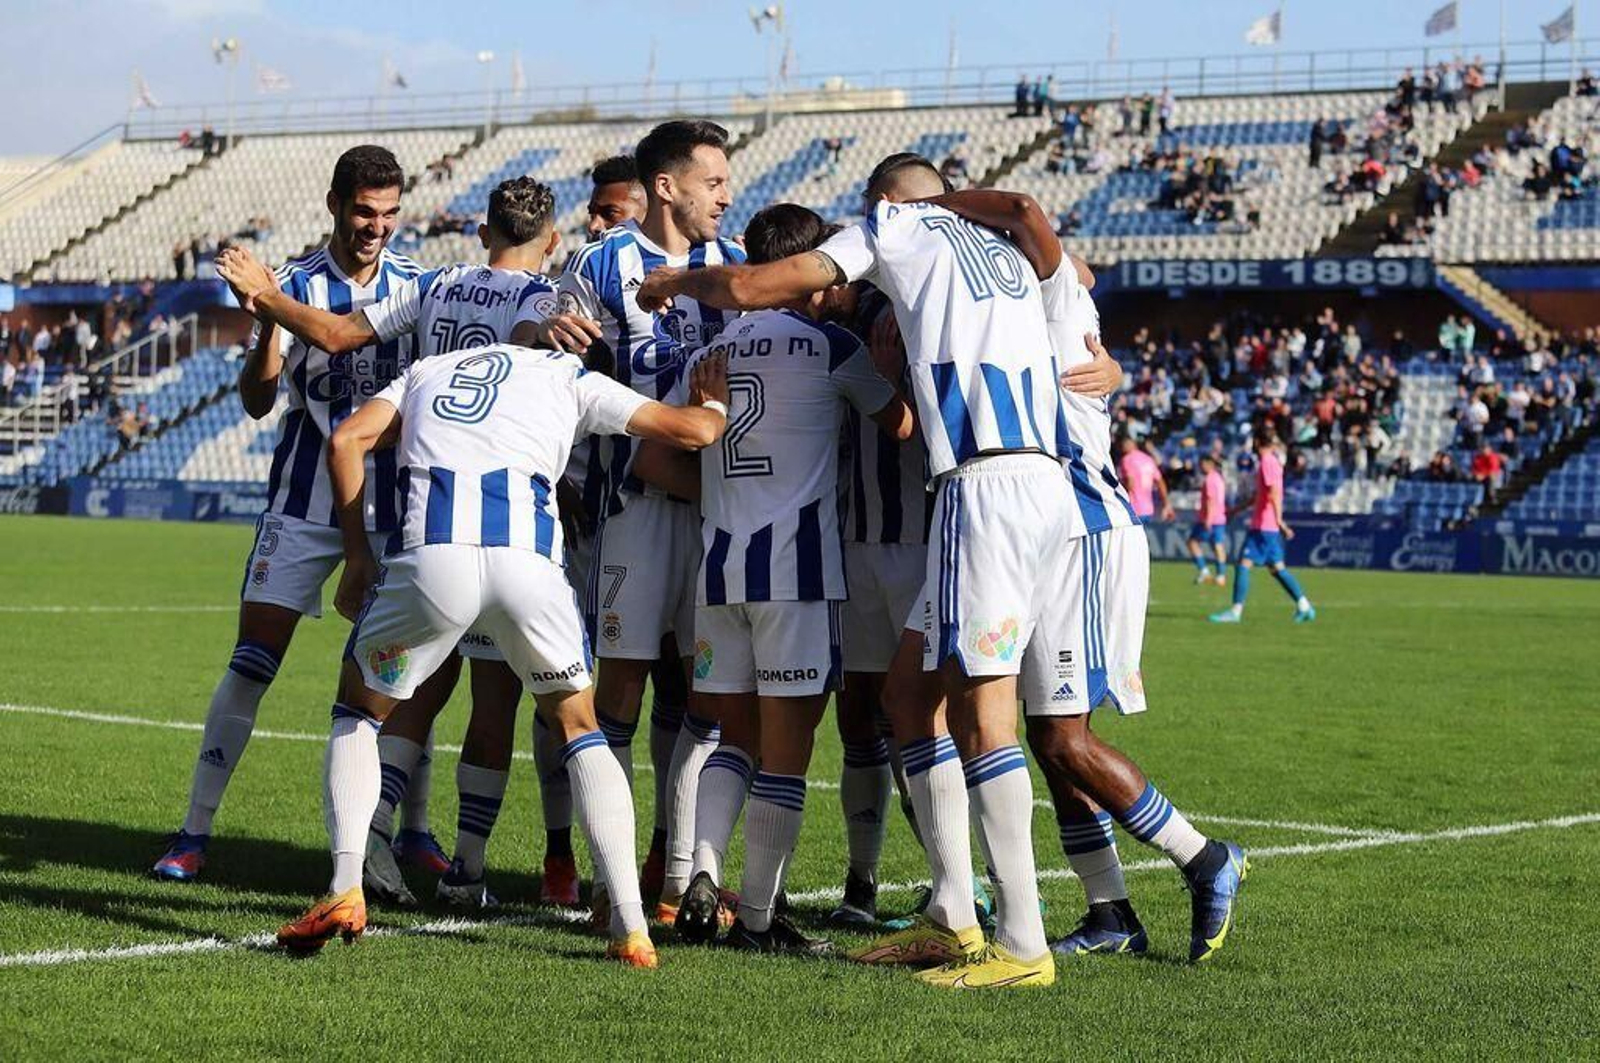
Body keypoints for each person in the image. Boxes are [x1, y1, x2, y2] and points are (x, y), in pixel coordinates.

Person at [637, 153, 1092, 989]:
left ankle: (1022, 943)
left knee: (979, 714)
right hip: (1043, 484)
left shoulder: (900, 227)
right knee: (908, 699)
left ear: (885, 205)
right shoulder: (1014, 258)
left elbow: (747, 289)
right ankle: (953, 912)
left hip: (979, 488)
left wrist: (677, 284)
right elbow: (1046, 244)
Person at [273, 339, 730, 965]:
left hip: (432, 559)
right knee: (580, 729)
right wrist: (714, 405)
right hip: (527, 566)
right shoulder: (566, 374)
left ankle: (346, 886)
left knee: (358, 711)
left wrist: (357, 557)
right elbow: (691, 431)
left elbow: (345, 441)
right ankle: (630, 924)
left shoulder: (427, 370)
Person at [215, 176, 565, 909]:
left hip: (423, 517)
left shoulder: (435, 283)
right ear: (553, 242)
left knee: (399, 692)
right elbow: (530, 348)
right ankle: (470, 869)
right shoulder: (540, 300)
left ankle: (370, 843)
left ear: (480, 232)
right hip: (508, 517)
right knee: (508, 699)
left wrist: (264, 293)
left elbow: (341, 338)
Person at [926, 188, 1246, 964]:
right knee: (1043, 734)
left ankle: (1205, 857)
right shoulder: (1005, 303)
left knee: (1063, 735)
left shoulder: (1048, 284)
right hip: (1040, 529)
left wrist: (929, 207)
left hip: (1082, 527)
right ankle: (1109, 910)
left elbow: (1039, 223)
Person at [151, 145, 441, 883]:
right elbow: (256, 400)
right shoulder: (293, 283)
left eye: (388, 213)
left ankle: (410, 830)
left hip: (398, 508)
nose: (376, 227)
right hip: (304, 502)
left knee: (399, 678)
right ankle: (194, 830)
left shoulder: (417, 285)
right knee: (252, 663)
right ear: (335, 204)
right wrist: (266, 332)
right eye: (364, 212)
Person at [635, 204, 915, 953]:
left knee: (731, 737)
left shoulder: (710, 353)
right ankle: (757, 919)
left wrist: (728, 493)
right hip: (797, 570)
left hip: (720, 567)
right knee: (787, 752)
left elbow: (654, 460)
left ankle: (701, 871)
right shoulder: (830, 345)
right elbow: (901, 426)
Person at [513, 120, 745, 927]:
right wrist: (544, 332)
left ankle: (676, 876)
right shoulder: (602, 262)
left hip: (719, 511)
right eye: (713, 180)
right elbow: (528, 348)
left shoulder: (737, 265)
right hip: (633, 509)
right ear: (669, 186)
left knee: (703, 694)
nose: (726, 194)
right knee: (620, 694)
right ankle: (616, 886)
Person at [1211, 426, 1315, 624]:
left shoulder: (1267, 462)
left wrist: (1279, 521)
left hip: (1264, 525)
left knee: (1243, 564)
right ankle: (1305, 606)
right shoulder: (1273, 462)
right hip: (1268, 525)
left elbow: (1274, 493)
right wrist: (1237, 510)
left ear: (1257, 442)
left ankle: (1235, 611)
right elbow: (1261, 495)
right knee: (1277, 569)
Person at [1188, 454, 1229, 585]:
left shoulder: (1210, 479)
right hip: (1220, 517)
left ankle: (1204, 571)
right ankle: (1221, 576)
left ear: (1208, 464)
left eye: (1202, 464)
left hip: (1210, 518)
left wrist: (1208, 519)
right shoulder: (1219, 478)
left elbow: (1211, 501)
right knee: (1217, 545)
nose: (1200, 467)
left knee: (1192, 542)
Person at [1118, 436, 1175, 523]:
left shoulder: (1127, 460)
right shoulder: (1148, 459)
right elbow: (1160, 482)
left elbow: (1130, 483)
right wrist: (1166, 503)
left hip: (1133, 509)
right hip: (1148, 510)